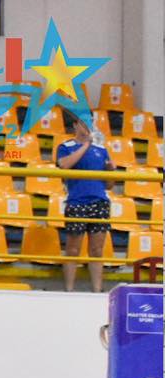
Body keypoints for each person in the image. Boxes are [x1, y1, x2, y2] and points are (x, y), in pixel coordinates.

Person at [56, 111, 115, 293]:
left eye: (90, 121)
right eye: (83, 122)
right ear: (75, 125)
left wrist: (111, 170)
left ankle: (97, 291)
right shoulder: (66, 146)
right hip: (77, 202)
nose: (87, 125)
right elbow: (64, 165)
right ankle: (69, 291)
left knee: (97, 250)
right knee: (73, 249)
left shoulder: (101, 150)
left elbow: (109, 185)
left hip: (99, 202)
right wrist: (86, 144)